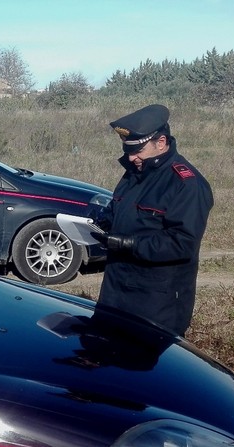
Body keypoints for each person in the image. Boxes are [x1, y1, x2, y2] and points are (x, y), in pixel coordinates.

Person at [90, 104, 214, 336]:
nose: (131, 157)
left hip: (155, 303)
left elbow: (182, 243)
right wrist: (103, 222)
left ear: (161, 142)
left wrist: (129, 244)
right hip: (116, 292)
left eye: (138, 150)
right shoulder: (135, 173)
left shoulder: (186, 184)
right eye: (128, 150)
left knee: (141, 369)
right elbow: (120, 210)